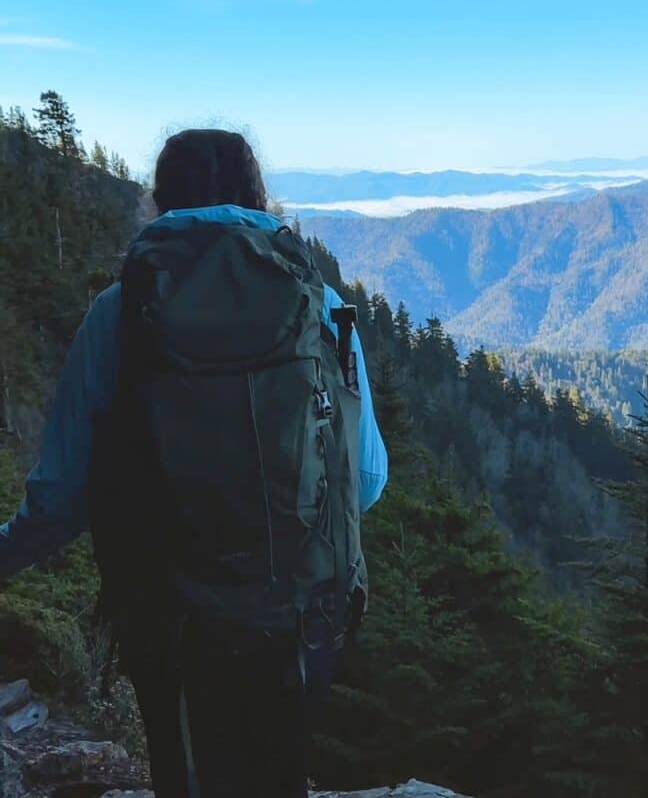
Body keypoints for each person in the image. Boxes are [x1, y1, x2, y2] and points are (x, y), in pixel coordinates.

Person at [0, 128, 389, 797]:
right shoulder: (315, 302)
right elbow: (369, 479)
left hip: (171, 618)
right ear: (256, 195)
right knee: (276, 772)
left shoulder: (119, 314)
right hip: (300, 610)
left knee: (190, 777)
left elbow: (61, 499)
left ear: (160, 201)